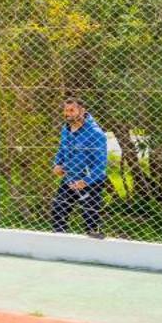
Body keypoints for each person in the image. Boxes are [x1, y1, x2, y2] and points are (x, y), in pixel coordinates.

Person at [51, 96, 107, 237]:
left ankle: (94, 244)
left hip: (90, 182)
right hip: (69, 179)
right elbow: (61, 150)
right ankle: (60, 239)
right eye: (66, 111)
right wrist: (57, 164)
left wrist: (85, 181)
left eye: (72, 110)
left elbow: (101, 164)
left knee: (90, 218)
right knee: (58, 210)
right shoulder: (66, 129)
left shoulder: (95, 133)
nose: (68, 114)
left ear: (82, 111)